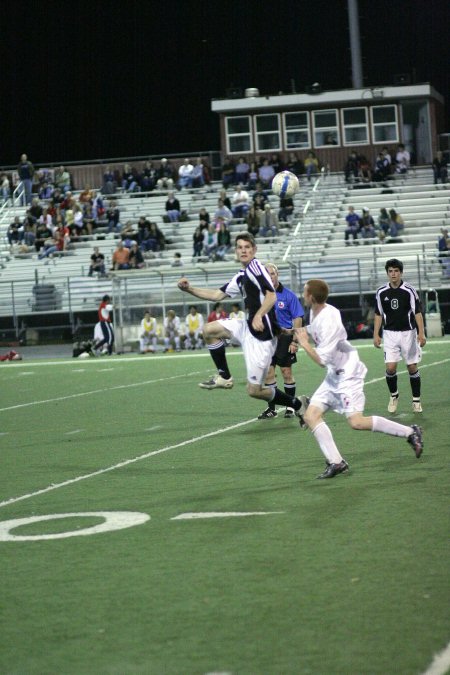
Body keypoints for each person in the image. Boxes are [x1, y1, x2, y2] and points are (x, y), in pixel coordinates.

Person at [295, 278, 423, 479]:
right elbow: (314, 331)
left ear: (311, 296)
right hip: (334, 374)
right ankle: (337, 463)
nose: (303, 295)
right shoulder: (317, 311)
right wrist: (295, 334)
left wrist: (303, 343)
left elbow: (320, 360)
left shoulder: (329, 318)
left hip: (348, 374)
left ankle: (410, 432)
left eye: (304, 292)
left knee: (356, 422)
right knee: (311, 415)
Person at [177, 233, 308, 419]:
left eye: (247, 247)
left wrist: (259, 315)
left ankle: (297, 404)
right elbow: (216, 295)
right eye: (240, 247)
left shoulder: (256, 268)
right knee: (209, 330)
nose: (244, 250)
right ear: (236, 252)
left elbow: (271, 295)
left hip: (262, 337)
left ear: (254, 250)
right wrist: (189, 289)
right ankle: (225, 376)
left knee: (254, 390)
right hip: (247, 328)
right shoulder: (241, 275)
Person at [373, 258, 426, 413]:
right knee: (390, 368)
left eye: (396, 271)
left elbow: (417, 313)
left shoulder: (409, 291)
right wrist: (376, 334)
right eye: (390, 271)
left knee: (412, 367)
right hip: (389, 334)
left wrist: (421, 334)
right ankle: (394, 395)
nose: (393, 274)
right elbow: (378, 314)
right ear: (387, 273)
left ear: (401, 273)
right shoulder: (381, 292)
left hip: (408, 333)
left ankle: (416, 400)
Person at [258, 264, 305, 419]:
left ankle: (290, 406)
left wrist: (294, 341)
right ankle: (271, 409)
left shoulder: (288, 295)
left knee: (286, 372)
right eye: (267, 274)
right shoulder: (260, 295)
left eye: (272, 273)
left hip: (284, 338)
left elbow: (298, 318)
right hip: (266, 338)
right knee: (269, 375)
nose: (270, 276)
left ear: (277, 275)